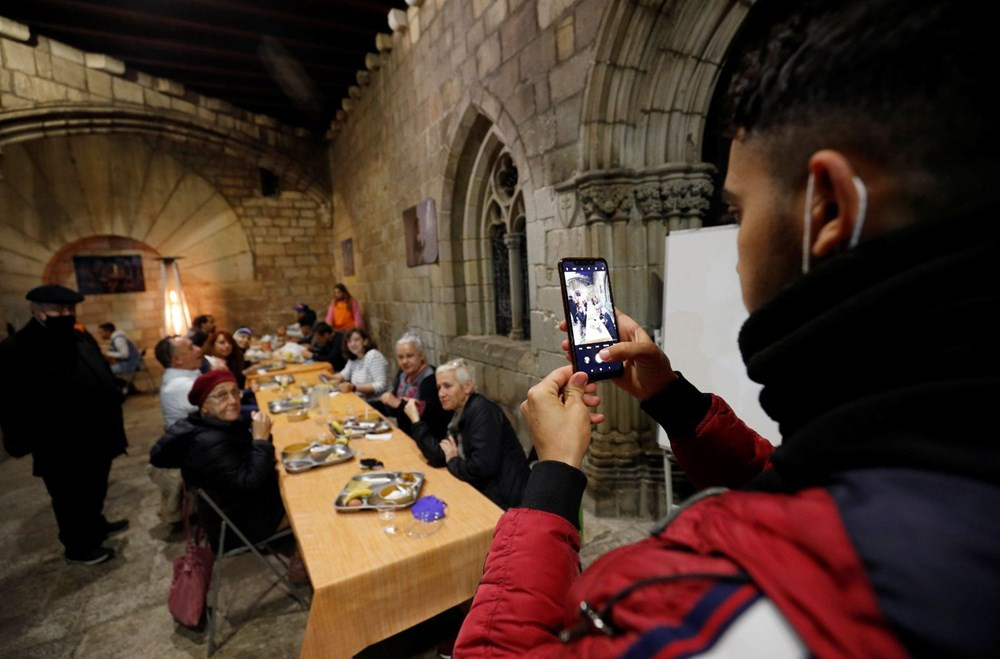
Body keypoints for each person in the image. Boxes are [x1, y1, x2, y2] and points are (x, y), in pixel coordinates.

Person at [455, 1, 999, 656]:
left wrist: (553, 473)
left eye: (738, 211)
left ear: (828, 209)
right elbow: (798, 487)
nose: (735, 243)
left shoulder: (737, 618)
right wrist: (672, 400)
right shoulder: (936, 456)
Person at [0, 285, 129, 565]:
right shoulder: (17, 348)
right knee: (70, 495)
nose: (67, 315)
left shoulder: (78, 336)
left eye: (71, 310)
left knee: (95, 485)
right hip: (60, 442)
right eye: (60, 310)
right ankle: (79, 545)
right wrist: (21, 439)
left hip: (97, 433)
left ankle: (96, 524)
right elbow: (11, 401)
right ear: (40, 312)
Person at [149, 370, 286, 551]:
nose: (232, 401)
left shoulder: (213, 426)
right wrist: (260, 441)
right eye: (221, 395)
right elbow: (251, 482)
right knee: (311, 499)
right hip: (243, 525)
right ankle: (303, 566)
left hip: (239, 510)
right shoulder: (209, 441)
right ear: (204, 406)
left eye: (235, 392)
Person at [404, 359, 528, 510]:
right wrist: (416, 421)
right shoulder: (458, 412)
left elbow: (481, 467)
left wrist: (453, 461)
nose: (441, 393)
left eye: (447, 386)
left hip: (506, 503)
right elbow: (439, 456)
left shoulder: (482, 411)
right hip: (485, 492)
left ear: (467, 386)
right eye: (439, 387)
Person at [373, 333, 450, 439]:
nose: (405, 361)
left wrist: (397, 403)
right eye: (400, 357)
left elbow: (431, 416)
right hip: (405, 436)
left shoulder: (431, 378)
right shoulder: (402, 374)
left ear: (421, 356)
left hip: (427, 440)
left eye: (410, 356)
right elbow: (393, 408)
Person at [155, 335, 203, 428]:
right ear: (177, 359)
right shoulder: (180, 386)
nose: (198, 349)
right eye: (191, 348)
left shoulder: (189, 374)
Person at [329, 328, 389, 401]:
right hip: (360, 399)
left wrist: (354, 387)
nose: (352, 344)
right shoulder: (354, 358)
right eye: (349, 341)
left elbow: (381, 385)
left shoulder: (373, 355)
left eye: (356, 340)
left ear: (365, 341)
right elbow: (344, 375)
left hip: (376, 402)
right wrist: (329, 377)